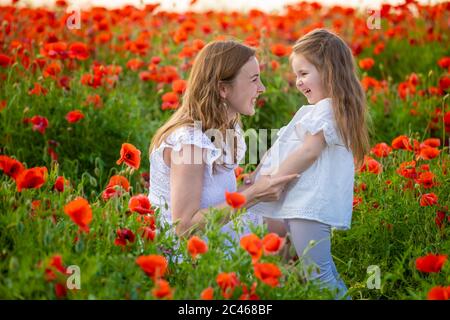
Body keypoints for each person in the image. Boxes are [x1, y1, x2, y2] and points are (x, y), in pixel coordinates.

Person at [247, 29, 370, 299]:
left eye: (304, 74)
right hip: (297, 203)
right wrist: (257, 174)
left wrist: (272, 180)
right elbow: (282, 146)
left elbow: (308, 151)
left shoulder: (329, 109)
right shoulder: (314, 110)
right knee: (294, 269)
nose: (298, 83)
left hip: (308, 206)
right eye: (296, 76)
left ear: (329, 72)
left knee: (318, 273)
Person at [148, 40, 298, 247]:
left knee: (290, 223)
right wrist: (253, 195)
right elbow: (183, 227)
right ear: (223, 89)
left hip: (213, 231)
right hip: (187, 252)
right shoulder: (189, 144)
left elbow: (214, 195)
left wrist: (252, 182)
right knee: (287, 234)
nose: (262, 88)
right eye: (254, 80)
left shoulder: (224, 128)